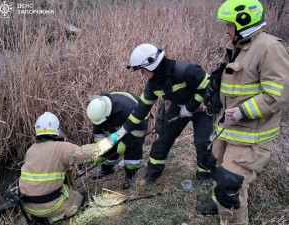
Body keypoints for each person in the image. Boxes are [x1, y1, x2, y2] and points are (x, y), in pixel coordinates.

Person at [195, 0, 289, 224]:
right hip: (227, 129)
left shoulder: (270, 48)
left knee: (230, 185)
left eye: (229, 24)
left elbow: (278, 95)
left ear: (244, 22)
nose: (226, 29)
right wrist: (212, 99)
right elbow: (230, 82)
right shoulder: (237, 45)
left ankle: (232, 218)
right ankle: (219, 207)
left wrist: (242, 112)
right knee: (217, 170)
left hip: (251, 135)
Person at [112, 43, 216, 186]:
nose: (142, 74)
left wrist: (192, 106)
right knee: (164, 138)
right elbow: (140, 109)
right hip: (179, 107)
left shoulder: (186, 70)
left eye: (142, 70)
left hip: (201, 108)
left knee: (203, 140)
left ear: (151, 65)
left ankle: (205, 174)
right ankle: (152, 173)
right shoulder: (153, 85)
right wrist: (124, 130)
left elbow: (209, 86)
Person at [18, 112, 118, 223]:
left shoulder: (31, 149)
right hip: (49, 207)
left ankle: (40, 216)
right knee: (77, 198)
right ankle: (51, 219)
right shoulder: (62, 148)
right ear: (57, 129)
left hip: (28, 206)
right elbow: (84, 153)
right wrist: (109, 141)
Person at [86, 92, 148, 189]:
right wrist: (100, 152)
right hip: (116, 121)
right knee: (110, 143)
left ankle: (131, 176)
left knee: (133, 147)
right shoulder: (98, 112)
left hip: (137, 122)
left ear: (107, 115)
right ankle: (107, 169)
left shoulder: (128, 109)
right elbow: (99, 135)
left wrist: (125, 142)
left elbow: (140, 130)